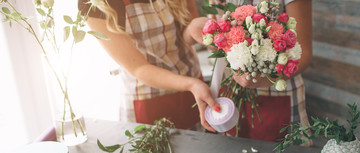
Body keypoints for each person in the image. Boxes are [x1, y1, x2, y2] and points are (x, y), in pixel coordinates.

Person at [78, 0, 220, 132]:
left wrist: (193, 28)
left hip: (193, 92)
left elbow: (184, 34)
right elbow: (139, 68)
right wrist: (191, 85)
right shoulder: (96, 4)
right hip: (148, 99)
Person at [208, 0, 313, 142]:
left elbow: (305, 53)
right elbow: (217, 38)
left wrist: (269, 77)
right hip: (234, 91)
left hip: (279, 93)